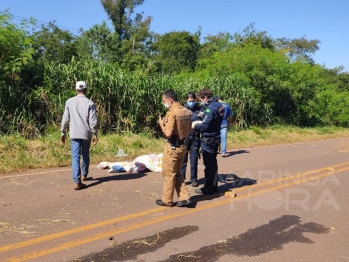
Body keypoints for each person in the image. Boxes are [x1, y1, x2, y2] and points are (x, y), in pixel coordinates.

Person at [156, 89, 192, 207]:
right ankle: (184, 197)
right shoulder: (186, 111)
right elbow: (190, 129)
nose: (164, 103)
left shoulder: (172, 113)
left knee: (168, 174)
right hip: (183, 146)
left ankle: (167, 200)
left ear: (170, 100)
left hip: (173, 147)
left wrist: (161, 124)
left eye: (164, 101)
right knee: (177, 173)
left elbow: (168, 133)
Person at [60, 81, 98, 190]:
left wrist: (63, 132)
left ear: (76, 90)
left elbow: (65, 119)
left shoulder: (69, 102)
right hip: (86, 134)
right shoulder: (90, 103)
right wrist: (95, 134)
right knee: (85, 154)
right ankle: (84, 175)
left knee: (75, 157)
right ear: (86, 90)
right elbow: (93, 122)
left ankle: (77, 181)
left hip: (74, 134)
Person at [192, 88, 224, 195]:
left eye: (201, 99)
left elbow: (205, 125)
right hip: (215, 138)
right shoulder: (219, 106)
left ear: (205, 97)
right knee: (213, 163)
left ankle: (208, 187)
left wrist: (195, 125)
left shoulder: (210, 108)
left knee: (209, 164)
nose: (201, 101)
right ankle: (214, 185)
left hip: (208, 139)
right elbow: (212, 121)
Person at [180, 92, 203, 187]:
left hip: (195, 137)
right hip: (185, 138)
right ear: (186, 100)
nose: (191, 102)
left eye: (193, 101)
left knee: (194, 160)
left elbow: (204, 122)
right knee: (183, 160)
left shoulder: (200, 109)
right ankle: (181, 178)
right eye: (189, 101)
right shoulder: (182, 109)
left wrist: (200, 120)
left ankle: (194, 179)